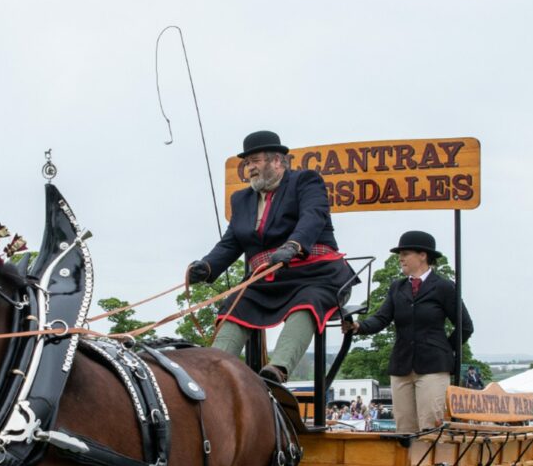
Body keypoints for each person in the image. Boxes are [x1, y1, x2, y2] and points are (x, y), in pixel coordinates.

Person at [186, 130, 352, 385]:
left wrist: (294, 245)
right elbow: (231, 242)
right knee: (234, 305)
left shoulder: (306, 181)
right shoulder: (241, 199)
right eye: (247, 163)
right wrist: (207, 267)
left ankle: (277, 370)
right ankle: (210, 373)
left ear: (277, 160)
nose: (249, 168)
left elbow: (313, 216)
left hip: (316, 274)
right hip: (267, 279)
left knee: (307, 301)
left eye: (255, 161)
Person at [344, 230, 474, 433]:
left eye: (405, 254)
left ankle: (427, 465)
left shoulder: (444, 287)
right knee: (404, 427)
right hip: (402, 366)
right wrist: (359, 326)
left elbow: (465, 326)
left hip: (433, 368)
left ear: (423, 255)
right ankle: (407, 465)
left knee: (430, 427)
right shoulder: (397, 287)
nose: (400, 259)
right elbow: (381, 318)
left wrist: (442, 349)